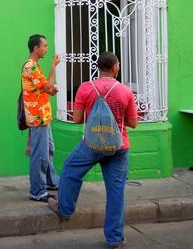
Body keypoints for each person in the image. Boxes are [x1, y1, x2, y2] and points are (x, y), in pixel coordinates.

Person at [48, 52, 138, 249]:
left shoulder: (86, 88)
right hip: (119, 146)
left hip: (91, 144)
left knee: (71, 170)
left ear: (99, 67)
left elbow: (77, 119)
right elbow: (133, 123)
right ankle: (115, 239)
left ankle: (65, 209)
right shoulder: (125, 91)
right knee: (116, 192)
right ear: (115, 67)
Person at [22, 34, 61, 202]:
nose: (47, 48)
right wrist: (53, 67)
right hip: (37, 117)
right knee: (39, 155)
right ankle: (37, 191)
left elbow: (45, 89)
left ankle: (51, 182)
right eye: (44, 46)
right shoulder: (30, 66)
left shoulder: (36, 66)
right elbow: (47, 85)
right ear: (35, 48)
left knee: (49, 150)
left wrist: (51, 90)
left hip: (44, 116)